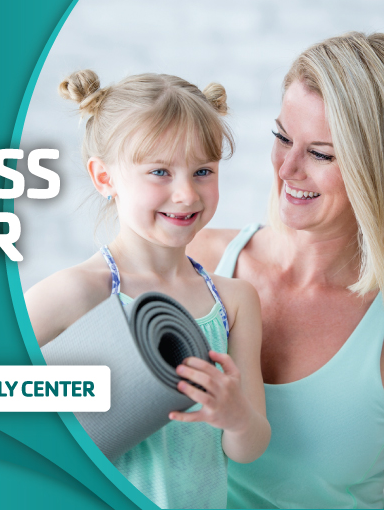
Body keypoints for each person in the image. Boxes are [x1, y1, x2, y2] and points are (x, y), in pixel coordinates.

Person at [188, 32, 384, 508]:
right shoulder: (197, 258)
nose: (287, 168)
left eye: (320, 154)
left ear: (382, 170)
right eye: (282, 138)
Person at [25, 70, 270, 509]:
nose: (186, 194)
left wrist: (236, 418)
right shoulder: (80, 292)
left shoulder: (233, 301)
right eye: (160, 171)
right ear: (105, 179)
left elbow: (249, 447)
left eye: (203, 171)